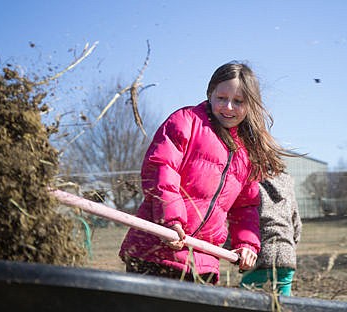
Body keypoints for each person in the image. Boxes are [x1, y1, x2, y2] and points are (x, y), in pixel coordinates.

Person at [119, 61, 289, 284]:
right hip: (156, 249)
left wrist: (247, 243)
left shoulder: (246, 152)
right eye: (221, 98)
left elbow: (245, 206)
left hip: (203, 261)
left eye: (238, 101)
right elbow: (161, 169)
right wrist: (170, 220)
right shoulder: (186, 121)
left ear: (250, 106)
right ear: (210, 93)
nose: (228, 107)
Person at [240, 172, 302, 296]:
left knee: (246, 294)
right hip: (286, 252)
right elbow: (296, 222)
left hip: (262, 252)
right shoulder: (287, 184)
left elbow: (245, 219)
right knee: (284, 300)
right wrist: (292, 244)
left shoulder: (252, 182)